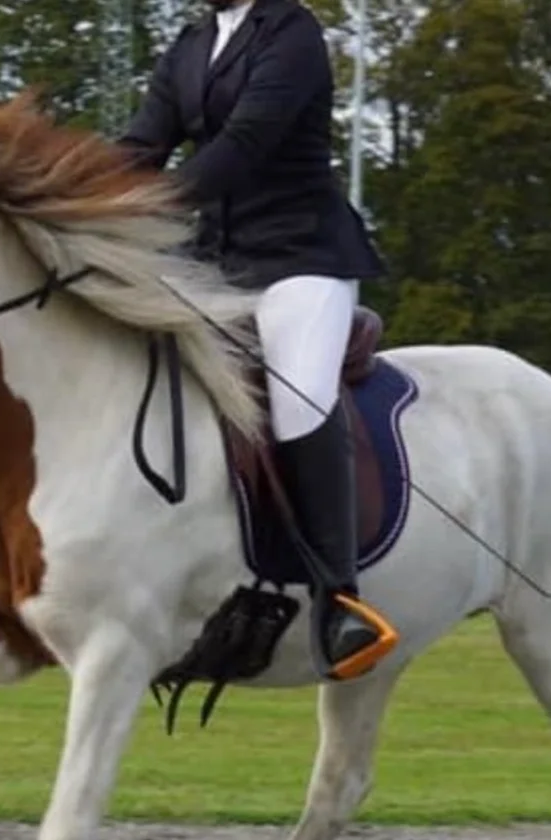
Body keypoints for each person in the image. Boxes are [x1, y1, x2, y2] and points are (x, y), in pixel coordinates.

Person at [117, 0, 393, 680]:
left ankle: (340, 600)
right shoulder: (192, 44)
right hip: (214, 261)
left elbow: (244, 145)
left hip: (300, 258)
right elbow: (142, 143)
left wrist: (147, 208)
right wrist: (68, 194)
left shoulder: (293, 32)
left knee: (299, 401)